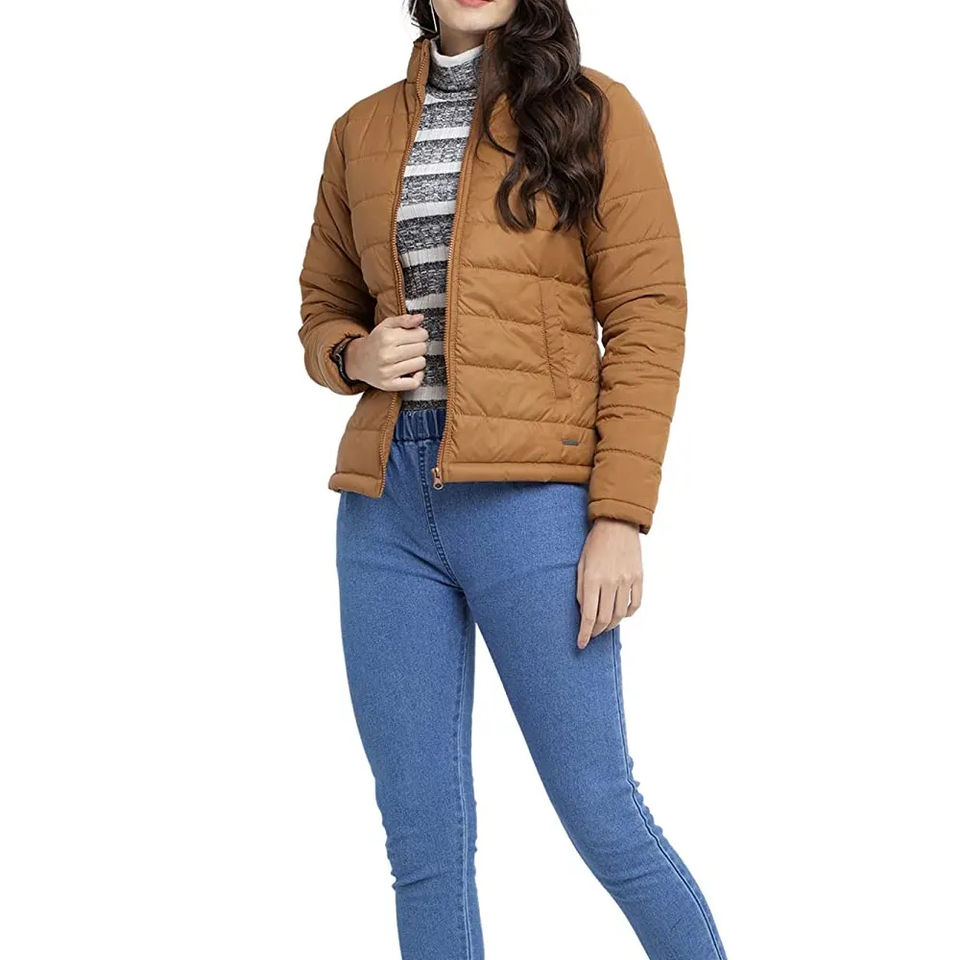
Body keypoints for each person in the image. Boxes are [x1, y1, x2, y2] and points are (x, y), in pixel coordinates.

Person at [298, 2, 726, 957]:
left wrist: (618, 517)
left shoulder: (593, 111)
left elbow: (648, 317)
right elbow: (323, 303)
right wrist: (353, 354)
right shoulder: (360, 130)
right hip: (385, 504)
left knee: (602, 813)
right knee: (422, 844)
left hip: (533, 500)